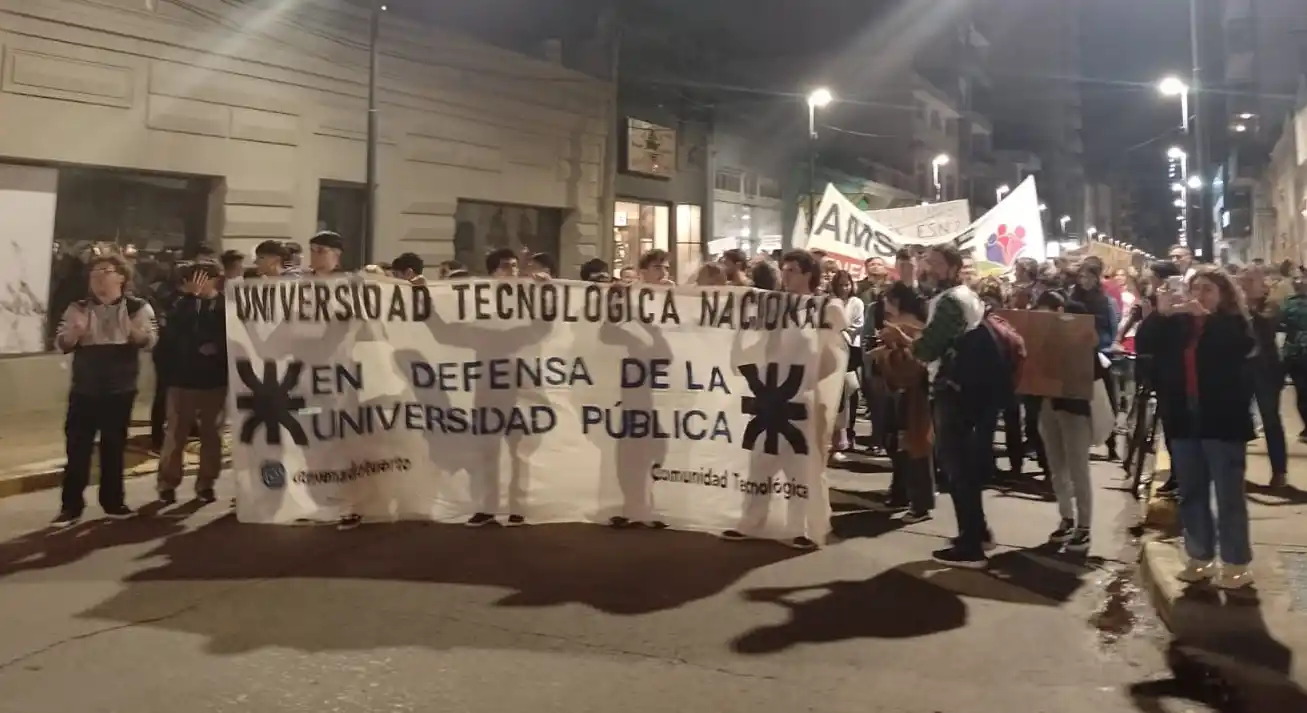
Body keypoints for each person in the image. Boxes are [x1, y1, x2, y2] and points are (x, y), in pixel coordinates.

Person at [1139, 268, 1255, 589]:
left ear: (1223, 294)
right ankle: (1200, 557)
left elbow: (1239, 347)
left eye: (1208, 289)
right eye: (1195, 288)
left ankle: (1235, 563)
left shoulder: (1233, 323)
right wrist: (1160, 314)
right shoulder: (1178, 325)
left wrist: (1206, 317)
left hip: (1222, 422)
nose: (1199, 295)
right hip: (1183, 420)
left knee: (1228, 496)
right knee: (1191, 492)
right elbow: (1145, 344)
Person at [881, 244, 992, 568]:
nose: (927, 269)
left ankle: (970, 546)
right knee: (963, 466)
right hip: (967, 386)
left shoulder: (949, 301)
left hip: (952, 388)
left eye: (936, 263)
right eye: (926, 262)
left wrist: (905, 338)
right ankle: (976, 531)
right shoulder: (966, 296)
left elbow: (928, 349)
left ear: (953, 268)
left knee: (957, 467)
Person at [52, 254, 159, 526]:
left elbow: (150, 340)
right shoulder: (78, 307)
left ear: (121, 276)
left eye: (105, 271)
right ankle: (71, 506)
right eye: (94, 273)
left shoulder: (137, 307)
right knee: (77, 449)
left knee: (113, 448)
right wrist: (75, 334)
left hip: (119, 389)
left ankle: (113, 502)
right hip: (85, 388)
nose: (98, 278)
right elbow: (61, 343)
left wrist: (135, 333)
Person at [1032, 291, 1103, 554]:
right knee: (1056, 466)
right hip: (1049, 404)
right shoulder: (1042, 336)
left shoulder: (1078, 322)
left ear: (1059, 310)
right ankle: (1067, 518)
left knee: (1077, 468)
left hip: (1075, 407)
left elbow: (1092, 365)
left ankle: (1084, 526)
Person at [156, 261, 227, 505]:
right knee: (176, 434)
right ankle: (167, 483)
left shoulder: (225, 305)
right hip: (182, 379)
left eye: (198, 278)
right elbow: (173, 332)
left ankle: (206, 483)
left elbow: (233, 337)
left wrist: (217, 348)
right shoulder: (180, 303)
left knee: (211, 435)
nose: (192, 283)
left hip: (214, 380)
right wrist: (190, 298)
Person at [872, 281, 934, 523]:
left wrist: (885, 354)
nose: (884, 305)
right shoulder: (904, 324)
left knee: (914, 447)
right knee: (899, 444)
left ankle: (919, 502)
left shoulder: (910, 326)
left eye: (887, 299)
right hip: (901, 392)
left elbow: (914, 362)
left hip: (913, 394)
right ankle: (903, 493)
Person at [1240, 265, 1288, 487]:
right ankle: (1237, 471)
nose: (1247, 286)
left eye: (1252, 281)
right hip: (1242, 369)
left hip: (1266, 371)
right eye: (1244, 281)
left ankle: (1279, 471)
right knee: (1239, 420)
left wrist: (1246, 308)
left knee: (1270, 420)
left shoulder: (1271, 304)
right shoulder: (1236, 306)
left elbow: (1266, 324)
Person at [827, 270, 865, 458]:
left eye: (847, 284)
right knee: (837, 391)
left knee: (851, 388)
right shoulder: (830, 301)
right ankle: (836, 438)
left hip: (850, 348)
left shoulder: (856, 302)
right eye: (841, 285)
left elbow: (857, 325)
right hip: (831, 348)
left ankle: (847, 432)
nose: (844, 288)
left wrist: (842, 333)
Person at [1280, 277, 1307, 442]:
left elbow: (1279, 322)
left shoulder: (1288, 303)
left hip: (1294, 352)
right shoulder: (1289, 303)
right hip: (1296, 353)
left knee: (1302, 392)